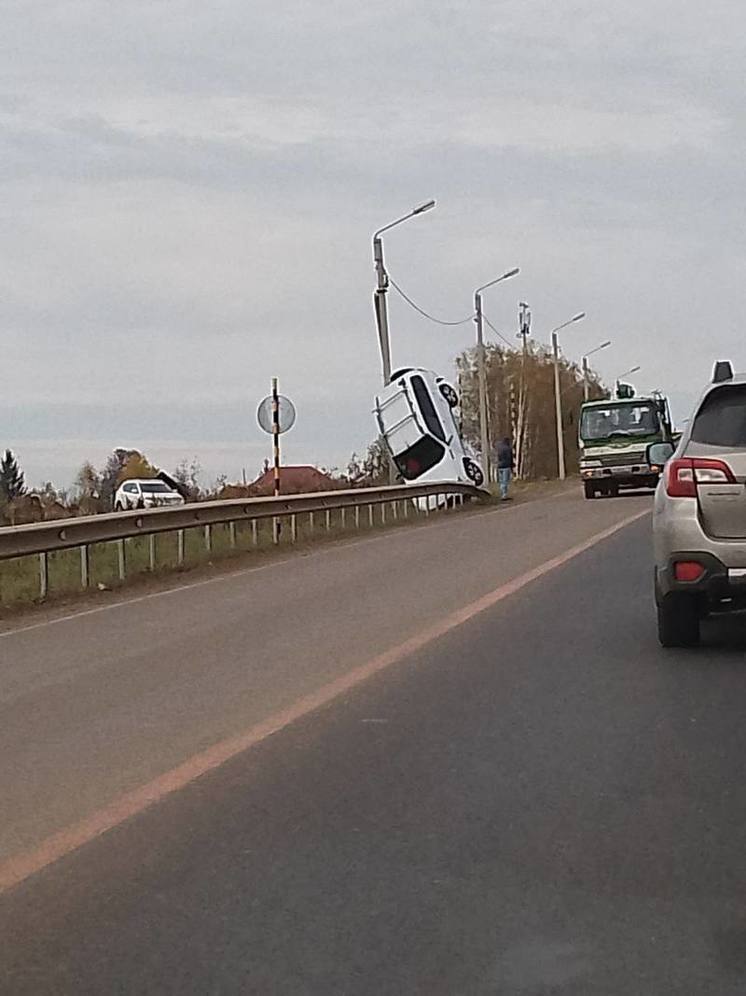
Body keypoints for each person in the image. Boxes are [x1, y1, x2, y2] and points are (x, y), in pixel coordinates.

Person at [496, 436, 513, 501]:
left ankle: (502, 493)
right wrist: (511, 466)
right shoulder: (508, 448)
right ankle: (504, 495)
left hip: (500, 466)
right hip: (506, 466)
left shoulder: (499, 448)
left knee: (501, 481)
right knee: (505, 481)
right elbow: (509, 458)